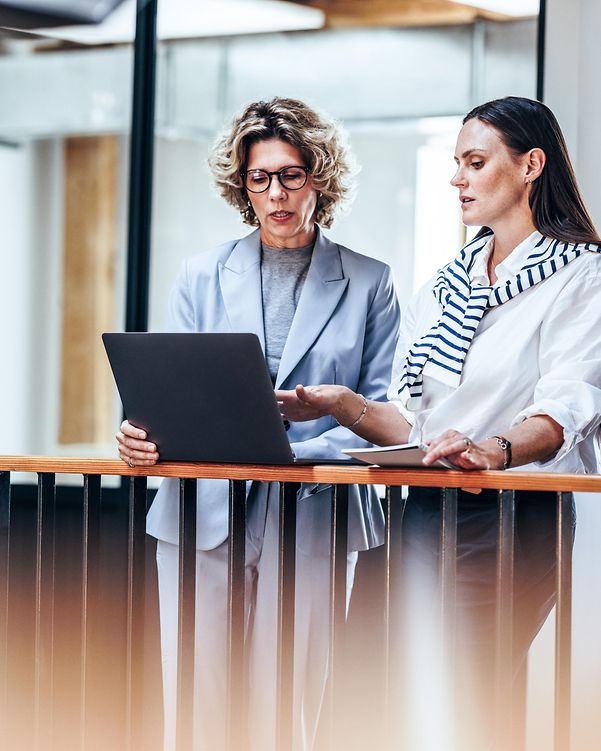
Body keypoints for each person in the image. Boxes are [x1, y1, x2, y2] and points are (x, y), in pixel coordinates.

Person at [278, 96, 601, 748]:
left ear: (530, 164)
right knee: (364, 705)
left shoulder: (580, 275)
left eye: (474, 162)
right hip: (418, 508)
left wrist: (489, 450)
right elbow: (414, 421)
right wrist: (344, 404)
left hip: (509, 517)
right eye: (455, 163)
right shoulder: (447, 282)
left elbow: (565, 407)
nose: (457, 178)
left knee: (462, 711)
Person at [116, 97, 400, 751]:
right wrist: (135, 431)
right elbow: (163, 388)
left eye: (291, 174)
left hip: (314, 506)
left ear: (318, 176)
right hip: (203, 507)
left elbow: (384, 412)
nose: (276, 193)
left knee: (290, 702)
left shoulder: (369, 282)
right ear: (241, 185)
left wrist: (306, 443)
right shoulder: (199, 274)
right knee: (195, 701)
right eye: (260, 177)